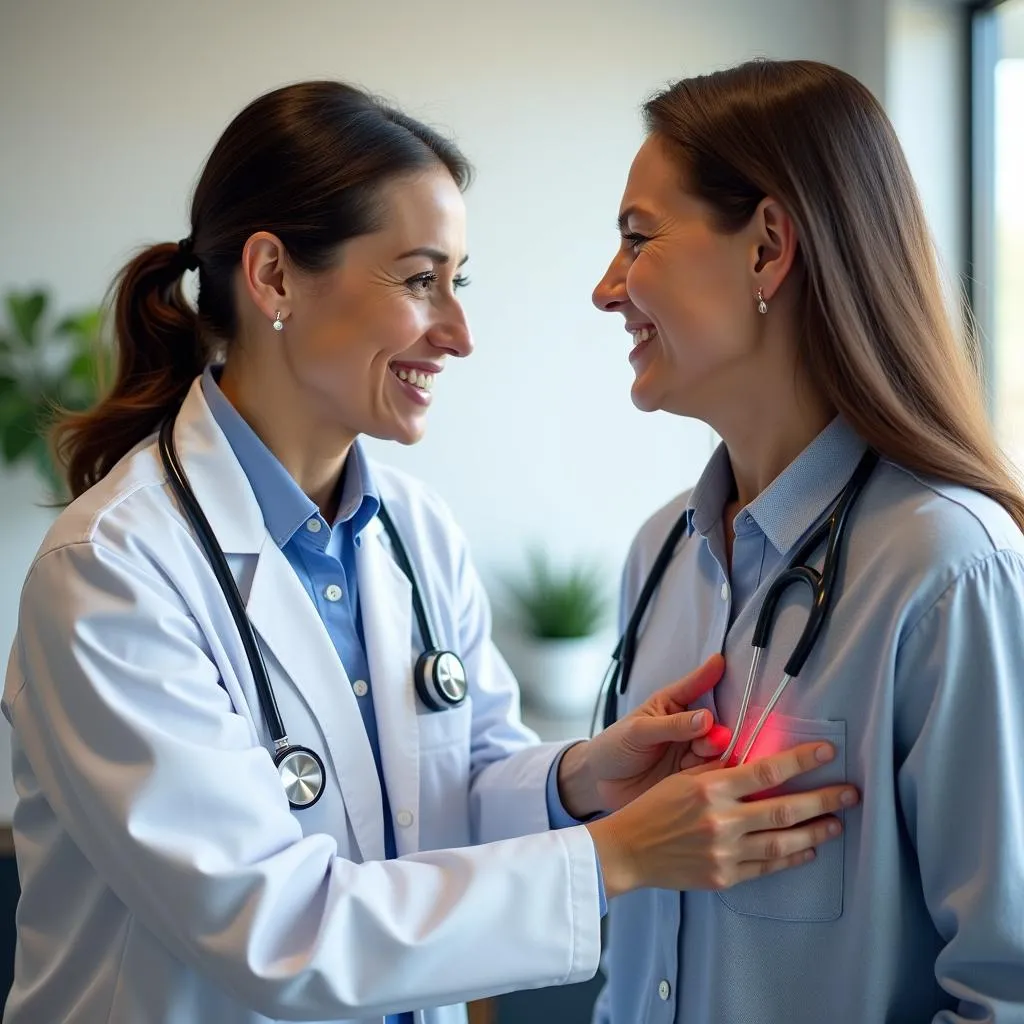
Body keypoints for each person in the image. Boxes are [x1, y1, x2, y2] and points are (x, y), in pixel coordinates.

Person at [1, 81, 854, 1024]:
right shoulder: (112, 571)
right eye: (418, 280)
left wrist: (580, 779)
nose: (458, 333)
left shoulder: (413, 533)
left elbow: (447, 799)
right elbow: (274, 929)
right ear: (273, 276)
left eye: (460, 281)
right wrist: (616, 854)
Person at [591, 58, 1024, 1024]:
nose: (605, 289)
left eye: (636, 240)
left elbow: (1005, 994)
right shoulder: (658, 557)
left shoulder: (948, 569)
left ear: (768, 249)